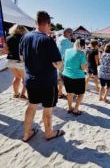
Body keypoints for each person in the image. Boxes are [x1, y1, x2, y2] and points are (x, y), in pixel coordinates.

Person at [19, 11, 64, 142]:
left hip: (30, 79)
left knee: (32, 106)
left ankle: (27, 133)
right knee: (48, 109)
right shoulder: (47, 40)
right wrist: (61, 64)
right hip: (47, 82)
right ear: (48, 23)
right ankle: (48, 132)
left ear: (35, 22)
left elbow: (22, 57)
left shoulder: (25, 37)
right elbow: (57, 64)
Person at [62, 39, 87, 115]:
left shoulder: (67, 51)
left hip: (66, 75)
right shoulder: (81, 54)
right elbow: (83, 68)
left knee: (70, 93)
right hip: (78, 76)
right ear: (82, 46)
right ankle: (75, 110)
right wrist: (86, 66)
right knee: (81, 94)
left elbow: (63, 60)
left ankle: (70, 107)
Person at [4, 24, 28, 100]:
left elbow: (5, 50)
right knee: (25, 79)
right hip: (20, 61)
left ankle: (16, 94)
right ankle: (22, 94)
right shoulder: (25, 38)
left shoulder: (7, 38)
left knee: (17, 77)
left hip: (9, 60)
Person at [56, 28, 73, 99]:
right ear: (66, 32)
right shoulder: (66, 40)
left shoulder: (59, 38)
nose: (71, 36)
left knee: (60, 77)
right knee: (66, 77)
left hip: (58, 60)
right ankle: (66, 93)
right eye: (71, 34)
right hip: (64, 61)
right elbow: (72, 51)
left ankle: (59, 92)